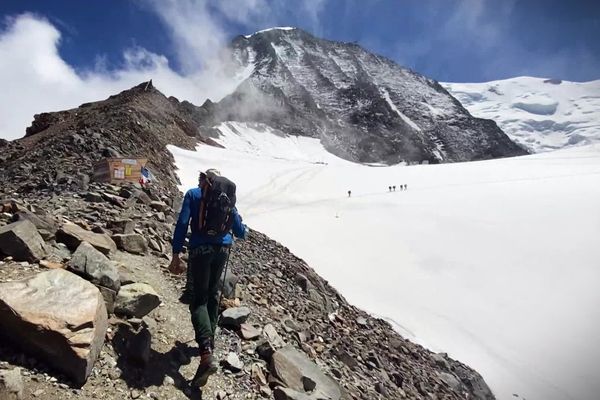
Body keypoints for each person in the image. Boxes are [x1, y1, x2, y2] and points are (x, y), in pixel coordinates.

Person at [168, 168, 246, 388]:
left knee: (198, 300)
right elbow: (240, 231)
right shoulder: (227, 200)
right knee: (212, 295)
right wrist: (241, 229)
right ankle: (208, 343)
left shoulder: (193, 194)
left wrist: (176, 253)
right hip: (222, 250)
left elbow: (183, 224)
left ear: (206, 181)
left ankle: (205, 354)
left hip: (200, 249)